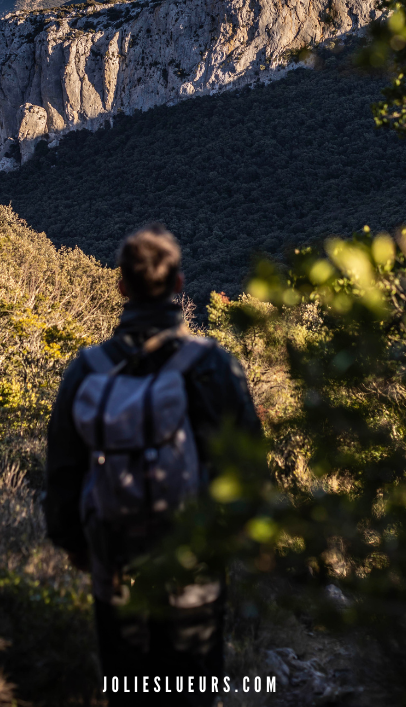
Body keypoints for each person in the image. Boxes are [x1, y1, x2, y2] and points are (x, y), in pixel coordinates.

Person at [45, 224, 261, 705]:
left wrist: (75, 545)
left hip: (115, 563)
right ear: (179, 283)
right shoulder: (212, 365)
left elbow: (62, 469)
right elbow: (249, 465)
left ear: (121, 285)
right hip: (193, 566)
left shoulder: (87, 368)